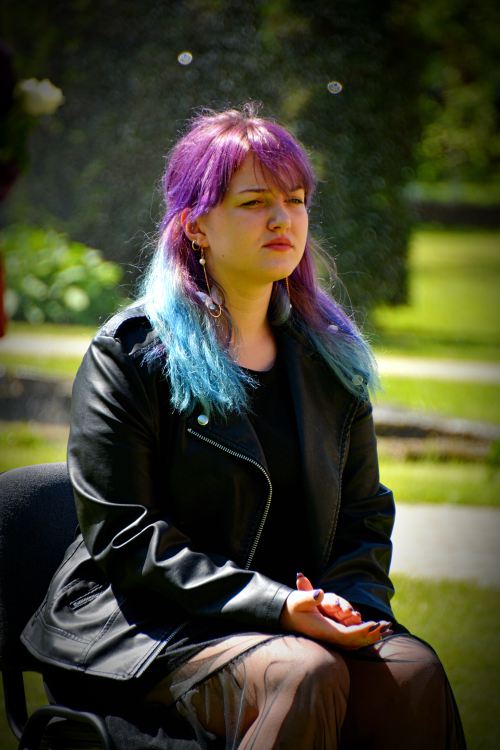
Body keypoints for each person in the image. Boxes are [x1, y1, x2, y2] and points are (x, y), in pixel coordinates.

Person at [21, 103, 466, 749]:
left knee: (412, 673)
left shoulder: (331, 361)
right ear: (195, 225)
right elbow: (125, 537)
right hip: (150, 627)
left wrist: (348, 604)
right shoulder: (131, 354)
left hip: (292, 622)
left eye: (295, 200)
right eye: (254, 202)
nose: (282, 219)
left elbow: (364, 516)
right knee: (303, 672)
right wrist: (279, 607)